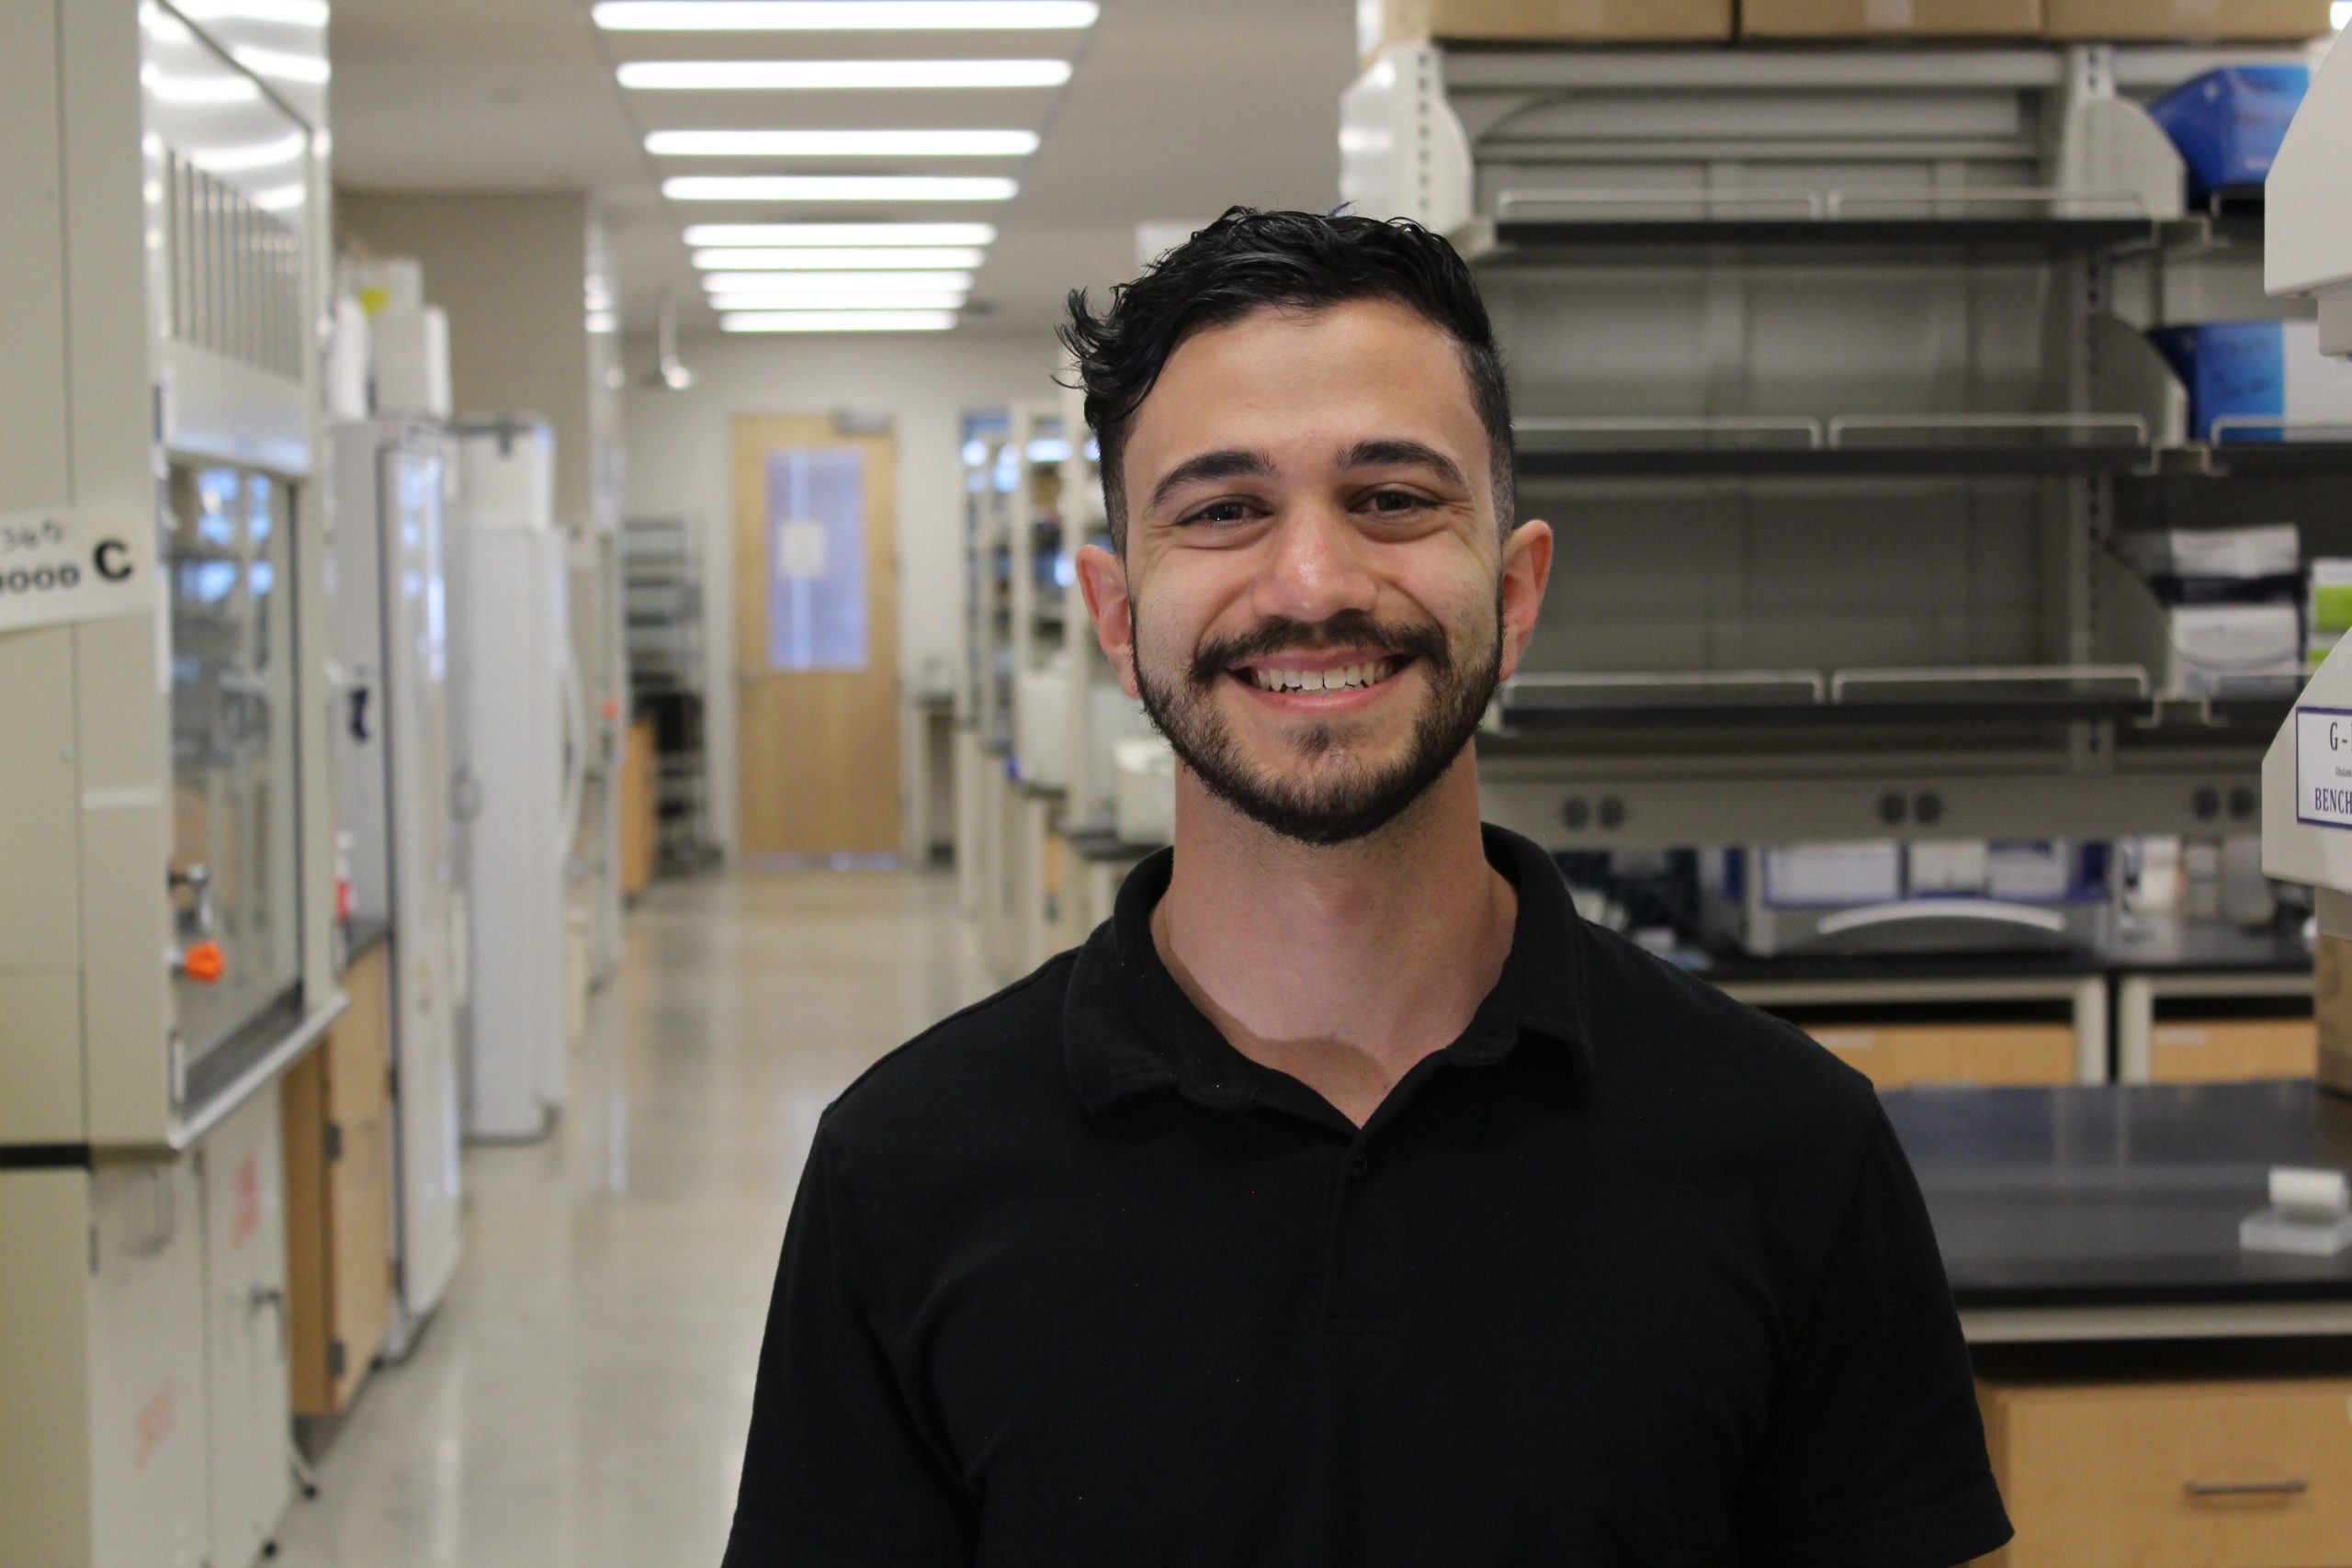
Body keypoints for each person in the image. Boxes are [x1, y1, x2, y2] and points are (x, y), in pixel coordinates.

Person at [721, 207, 2012, 1567]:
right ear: (1115, 616)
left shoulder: (1789, 1150)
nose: (1315, 580)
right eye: (1223, 510)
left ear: (1515, 594)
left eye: (1392, 499)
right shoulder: (907, 1173)